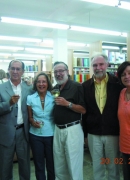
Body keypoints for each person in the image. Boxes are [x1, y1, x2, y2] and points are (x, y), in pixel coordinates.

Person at [82, 53, 122, 180]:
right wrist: (85, 134)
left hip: (113, 133)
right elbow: (84, 112)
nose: (98, 67)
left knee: (113, 166)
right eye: (95, 65)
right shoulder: (85, 86)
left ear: (107, 65)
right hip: (93, 133)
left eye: (101, 64)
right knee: (97, 167)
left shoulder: (117, 84)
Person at [53, 61, 86, 180]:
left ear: (67, 72)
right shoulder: (55, 88)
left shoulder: (77, 86)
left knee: (74, 165)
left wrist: (68, 104)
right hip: (57, 129)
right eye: (56, 72)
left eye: (61, 71)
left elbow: (83, 110)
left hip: (72, 130)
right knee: (59, 165)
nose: (58, 74)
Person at [0, 60, 33, 180]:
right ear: (8, 70)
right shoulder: (1, 88)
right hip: (5, 133)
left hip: (23, 132)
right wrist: (8, 103)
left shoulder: (29, 88)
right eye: (12, 68)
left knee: (25, 166)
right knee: (5, 166)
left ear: (23, 71)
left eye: (18, 69)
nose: (15, 71)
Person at [27, 72, 55, 180]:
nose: (41, 84)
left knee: (51, 164)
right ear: (35, 83)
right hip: (35, 135)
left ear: (48, 83)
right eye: (39, 82)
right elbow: (30, 117)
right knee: (39, 164)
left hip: (51, 134)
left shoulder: (53, 96)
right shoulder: (30, 98)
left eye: (44, 81)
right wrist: (32, 122)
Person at [117, 61, 130, 180]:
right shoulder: (122, 93)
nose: (126, 76)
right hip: (124, 145)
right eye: (123, 74)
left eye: (129, 73)